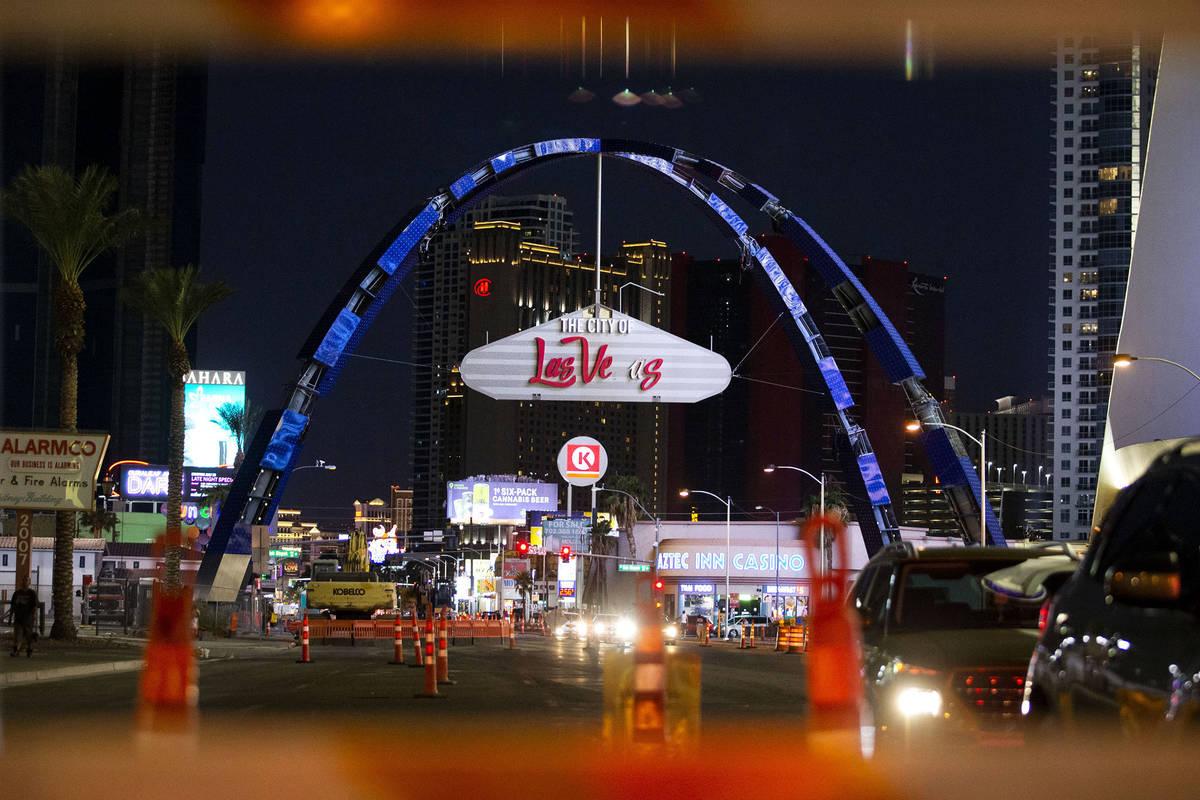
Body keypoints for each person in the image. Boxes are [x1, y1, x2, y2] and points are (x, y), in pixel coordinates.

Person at [10, 585, 39, 658]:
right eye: (24, 581)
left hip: (28, 618)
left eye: (26, 581)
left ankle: (29, 650)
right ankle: (16, 650)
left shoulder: (32, 593)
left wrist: (35, 614)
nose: (25, 583)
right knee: (18, 635)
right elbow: (13, 605)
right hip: (18, 617)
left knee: (28, 636)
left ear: (28, 583)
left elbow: (35, 605)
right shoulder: (17, 593)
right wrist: (10, 616)